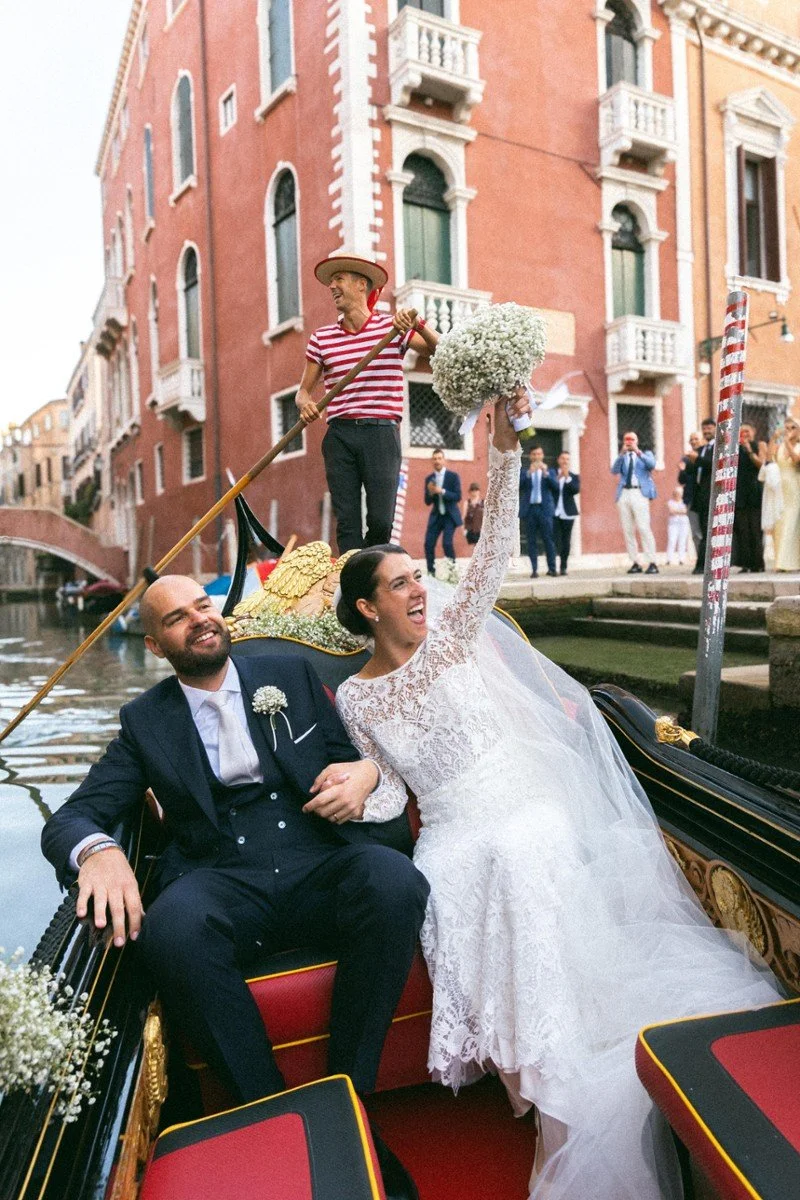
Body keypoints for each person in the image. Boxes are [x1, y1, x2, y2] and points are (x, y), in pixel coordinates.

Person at [332, 392, 781, 1200]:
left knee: (518, 847)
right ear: (368, 607)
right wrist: (362, 781)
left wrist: (504, 448)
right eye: (400, 584)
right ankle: (540, 1079)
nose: (418, 590)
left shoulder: (454, 638)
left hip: (520, 799)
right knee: (464, 867)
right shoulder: (355, 700)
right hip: (451, 828)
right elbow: (389, 787)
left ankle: (564, 1077)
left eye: (415, 576)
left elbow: (495, 551)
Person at [41, 575, 428, 1200]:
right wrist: (101, 852)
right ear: (156, 646)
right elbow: (72, 817)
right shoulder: (146, 721)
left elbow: (361, 755)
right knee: (171, 929)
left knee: (393, 881)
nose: (198, 619)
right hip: (222, 877)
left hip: (314, 858)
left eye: (202, 605)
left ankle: (347, 1092)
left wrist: (366, 771)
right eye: (176, 619)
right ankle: (269, 1108)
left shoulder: (291, 676)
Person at [296, 250, 439, 553]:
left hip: (381, 433)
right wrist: (305, 404)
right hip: (340, 435)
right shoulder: (321, 338)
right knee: (347, 521)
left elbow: (440, 350)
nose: (332, 286)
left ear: (362, 285)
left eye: (339, 279)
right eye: (331, 281)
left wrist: (418, 323)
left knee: (380, 521)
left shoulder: (391, 329)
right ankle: (352, 581)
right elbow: (303, 392)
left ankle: (374, 573)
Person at [611, 431, 658, 574]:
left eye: (631, 439)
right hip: (624, 493)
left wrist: (638, 452)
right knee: (628, 530)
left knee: (644, 527)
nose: (629, 442)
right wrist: (621, 454)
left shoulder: (646, 454)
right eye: (626, 439)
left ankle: (652, 562)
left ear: (636, 441)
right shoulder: (623, 456)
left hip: (639, 492)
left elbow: (652, 465)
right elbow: (614, 470)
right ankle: (635, 562)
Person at [760, 416, 800, 571]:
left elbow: (795, 459)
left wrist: (786, 441)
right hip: (779, 487)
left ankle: (788, 562)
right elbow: (769, 458)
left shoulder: (794, 446)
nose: (789, 431)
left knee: (791, 522)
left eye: (793, 428)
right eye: (787, 428)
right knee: (779, 522)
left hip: (794, 486)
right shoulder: (781, 446)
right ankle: (780, 561)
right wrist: (774, 439)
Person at [731, 424, 764, 573]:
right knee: (742, 530)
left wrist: (749, 450)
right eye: (741, 432)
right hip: (740, 493)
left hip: (755, 492)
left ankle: (758, 563)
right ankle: (746, 563)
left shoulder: (758, 445)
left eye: (747, 432)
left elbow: (761, 465)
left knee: (755, 529)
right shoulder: (735, 450)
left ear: (753, 432)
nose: (745, 435)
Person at [519, 446, 557, 578]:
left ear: (542, 456)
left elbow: (556, 487)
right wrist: (529, 472)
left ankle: (552, 569)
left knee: (548, 539)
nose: (536, 457)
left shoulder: (550, 471)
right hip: (530, 510)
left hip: (544, 509)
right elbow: (519, 485)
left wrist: (546, 473)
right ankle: (534, 570)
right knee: (531, 541)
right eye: (534, 454)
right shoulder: (524, 472)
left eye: (539, 454)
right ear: (530, 457)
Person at [423, 449, 462, 576]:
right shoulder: (429, 479)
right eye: (434, 459)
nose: (437, 461)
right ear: (432, 461)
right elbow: (427, 502)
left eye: (439, 458)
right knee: (428, 544)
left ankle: (452, 573)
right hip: (437, 516)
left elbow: (458, 496)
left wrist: (442, 491)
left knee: (447, 543)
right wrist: (430, 492)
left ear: (444, 460)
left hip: (450, 516)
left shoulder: (453, 476)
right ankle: (431, 573)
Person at [688, 417, 716, 573]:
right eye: (704, 428)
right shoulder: (701, 449)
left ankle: (703, 565)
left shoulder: (717, 448)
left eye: (709, 428)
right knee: (703, 530)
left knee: (709, 531)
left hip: (712, 494)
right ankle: (703, 564)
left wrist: (697, 459)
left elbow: (714, 465)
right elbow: (689, 473)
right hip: (700, 496)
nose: (706, 431)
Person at [549, 451, 580, 575]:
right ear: (558, 460)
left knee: (566, 541)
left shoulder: (574, 476)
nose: (565, 461)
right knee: (554, 539)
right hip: (554, 512)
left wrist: (567, 478)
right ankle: (552, 567)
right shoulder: (552, 474)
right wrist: (558, 478)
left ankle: (563, 567)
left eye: (567, 459)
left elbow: (575, 490)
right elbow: (549, 488)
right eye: (563, 458)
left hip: (568, 513)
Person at [677, 431, 702, 557]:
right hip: (691, 498)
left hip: (705, 497)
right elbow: (681, 480)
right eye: (691, 440)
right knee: (695, 531)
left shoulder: (706, 455)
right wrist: (682, 471)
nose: (693, 442)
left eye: (696, 439)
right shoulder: (685, 459)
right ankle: (700, 560)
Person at [665, 485, 691, 565]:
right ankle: (669, 559)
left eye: (679, 493)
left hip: (683, 523)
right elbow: (671, 511)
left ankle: (681, 559)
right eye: (676, 493)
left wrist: (676, 511)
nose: (677, 495)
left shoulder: (685, 502)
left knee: (682, 541)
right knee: (672, 540)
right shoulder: (670, 502)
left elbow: (686, 511)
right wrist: (680, 511)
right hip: (673, 524)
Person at [462, 482, 484, 547]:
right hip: (470, 529)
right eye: (472, 490)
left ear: (479, 491)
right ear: (470, 491)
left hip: (481, 529)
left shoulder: (483, 503)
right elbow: (463, 517)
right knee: (474, 547)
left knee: (480, 546)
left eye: (476, 489)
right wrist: (463, 530)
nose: (474, 492)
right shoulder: (467, 503)